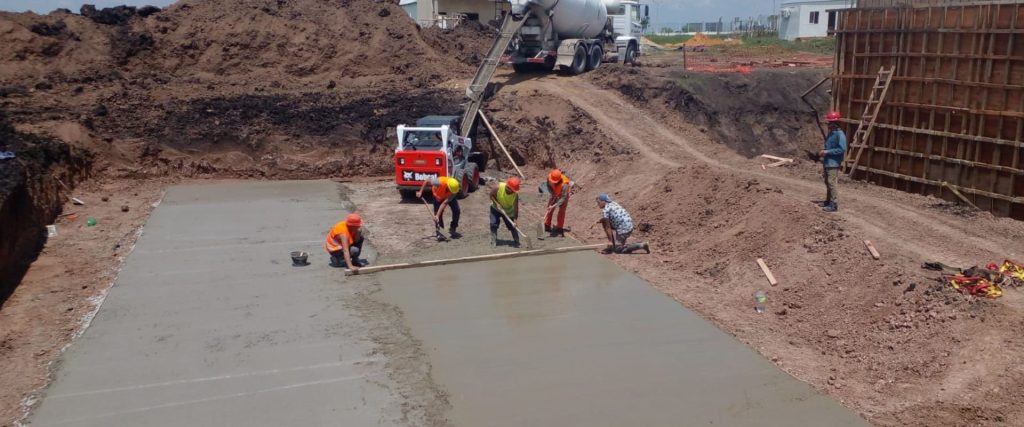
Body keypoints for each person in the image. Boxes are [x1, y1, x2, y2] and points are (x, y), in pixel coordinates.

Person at [819, 111, 847, 212]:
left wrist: (827, 152)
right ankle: (828, 201)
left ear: (834, 123)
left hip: (833, 162)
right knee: (827, 182)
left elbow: (841, 149)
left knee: (831, 182)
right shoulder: (832, 133)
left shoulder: (840, 134)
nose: (828, 124)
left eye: (829, 122)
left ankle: (833, 204)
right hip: (828, 162)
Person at [489, 177, 521, 247]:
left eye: (514, 191)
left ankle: (517, 240)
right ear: (508, 187)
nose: (513, 192)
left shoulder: (515, 195)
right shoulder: (498, 187)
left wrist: (515, 220)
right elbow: (491, 195)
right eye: (512, 190)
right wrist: (497, 203)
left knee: (512, 226)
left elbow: (516, 208)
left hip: (508, 210)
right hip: (495, 208)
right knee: (493, 223)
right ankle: (493, 240)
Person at [543, 169, 572, 237]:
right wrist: (553, 194)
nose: (551, 182)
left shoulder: (565, 185)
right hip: (554, 193)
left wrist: (554, 205)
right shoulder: (549, 178)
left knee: (561, 211)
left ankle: (559, 228)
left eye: (553, 181)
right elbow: (548, 186)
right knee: (549, 208)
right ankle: (547, 224)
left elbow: (563, 198)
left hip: (564, 195)